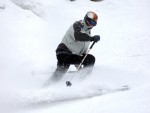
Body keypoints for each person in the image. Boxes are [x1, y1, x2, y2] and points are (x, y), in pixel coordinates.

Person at [50, 11, 100, 82]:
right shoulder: (77, 25)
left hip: (72, 55)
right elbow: (78, 36)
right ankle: (46, 87)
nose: (93, 25)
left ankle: (83, 82)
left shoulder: (87, 32)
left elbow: (80, 52)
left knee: (90, 59)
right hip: (63, 52)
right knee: (63, 67)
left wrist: (80, 68)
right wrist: (91, 38)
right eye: (92, 23)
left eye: (95, 24)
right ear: (87, 19)